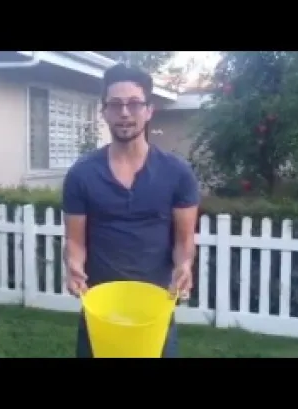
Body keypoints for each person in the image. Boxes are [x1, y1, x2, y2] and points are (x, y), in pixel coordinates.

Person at [62, 63, 200, 358]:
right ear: (104, 112)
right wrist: (73, 265)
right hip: (101, 312)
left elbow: (183, 241)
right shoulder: (81, 175)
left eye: (134, 104)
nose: (125, 113)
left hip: (153, 313)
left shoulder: (177, 173)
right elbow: (75, 241)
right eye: (115, 104)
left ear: (150, 110)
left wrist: (184, 266)